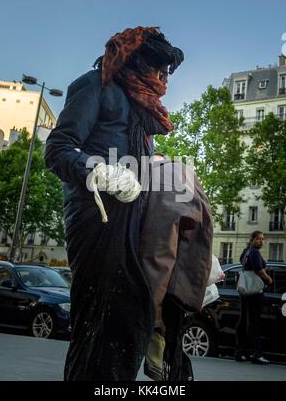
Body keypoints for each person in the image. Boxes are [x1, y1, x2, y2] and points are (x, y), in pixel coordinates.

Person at [44, 26, 184, 381]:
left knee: (128, 321)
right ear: (137, 63)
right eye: (156, 69)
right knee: (99, 323)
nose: (161, 79)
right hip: (97, 219)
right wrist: (98, 170)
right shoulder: (95, 85)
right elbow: (58, 148)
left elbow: (135, 165)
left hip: (135, 220)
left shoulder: (142, 109)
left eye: (165, 72)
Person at [140, 154, 213, 380]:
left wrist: (153, 321)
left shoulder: (163, 179)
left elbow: (158, 251)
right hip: (181, 280)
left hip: (165, 283)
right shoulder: (186, 175)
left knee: (165, 349)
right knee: (174, 353)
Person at [235, 230, 273, 364]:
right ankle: (257, 354)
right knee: (254, 323)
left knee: (244, 321)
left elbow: (243, 264)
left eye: (263, 239)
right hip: (254, 292)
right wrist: (269, 280)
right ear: (252, 240)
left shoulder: (246, 252)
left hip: (245, 290)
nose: (261, 241)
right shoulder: (255, 252)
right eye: (258, 239)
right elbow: (259, 270)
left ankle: (240, 352)